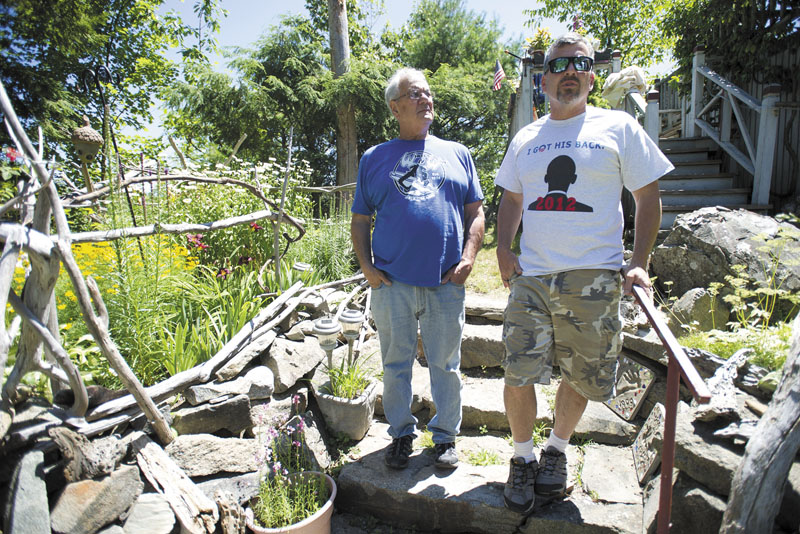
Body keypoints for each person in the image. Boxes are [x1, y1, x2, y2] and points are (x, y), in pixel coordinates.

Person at [494, 33, 673, 513]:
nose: (568, 71)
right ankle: (523, 456)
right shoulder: (526, 137)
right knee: (518, 370)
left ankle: (555, 450)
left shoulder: (618, 127)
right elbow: (512, 199)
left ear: (592, 75)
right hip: (531, 276)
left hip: (594, 277)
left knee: (581, 374)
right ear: (543, 79)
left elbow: (648, 197)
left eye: (579, 63)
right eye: (558, 65)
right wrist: (503, 248)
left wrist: (638, 263)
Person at [351, 67, 485, 470]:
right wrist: (366, 267)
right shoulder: (375, 158)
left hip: (445, 282)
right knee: (395, 365)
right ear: (395, 107)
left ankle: (445, 437)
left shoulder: (458, 153)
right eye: (415, 94)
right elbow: (360, 218)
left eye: (428, 92)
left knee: (446, 363)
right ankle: (401, 434)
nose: (426, 98)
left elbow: (476, 212)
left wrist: (468, 258)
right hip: (392, 283)